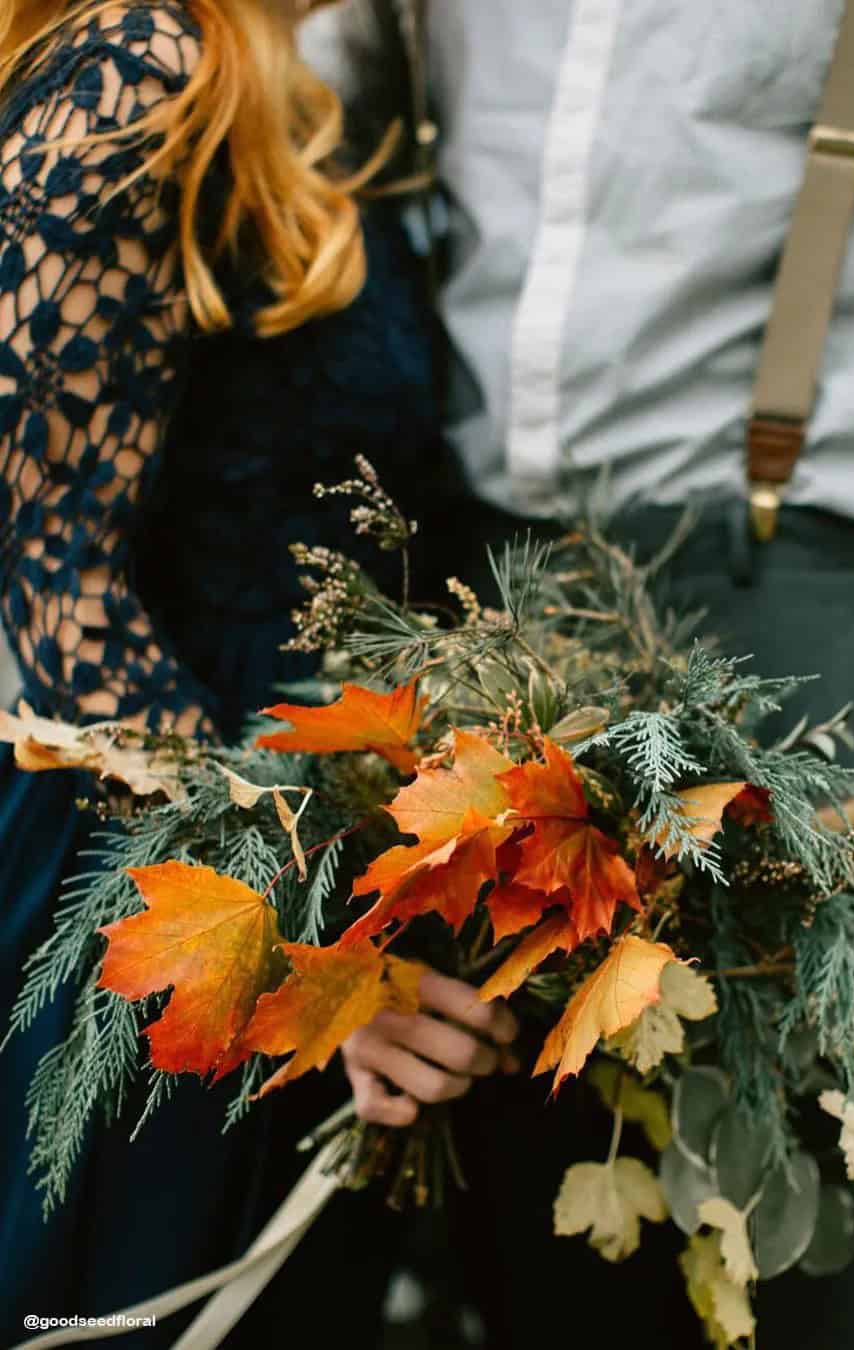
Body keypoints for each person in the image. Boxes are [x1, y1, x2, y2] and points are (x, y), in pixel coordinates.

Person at [316, 2, 854, 1347]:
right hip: (490, 652)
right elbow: (280, 120)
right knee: (541, 1270)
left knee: (831, 1277)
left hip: (812, 641)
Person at [0, 2, 516, 1344]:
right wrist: (292, 962)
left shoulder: (304, 80)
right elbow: (47, 573)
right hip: (147, 890)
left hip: (298, 858)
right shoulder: (140, 54)